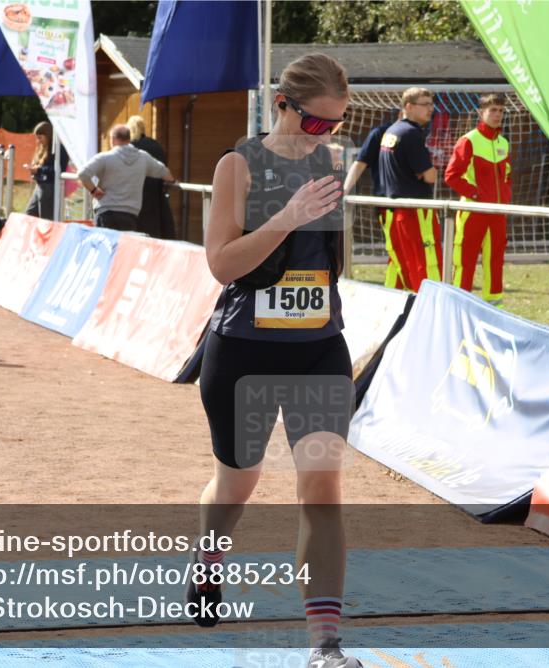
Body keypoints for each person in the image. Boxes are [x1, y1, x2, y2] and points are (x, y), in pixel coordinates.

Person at [191, 53, 362, 668]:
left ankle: (326, 645)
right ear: (283, 106)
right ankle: (210, 556)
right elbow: (222, 264)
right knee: (239, 481)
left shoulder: (332, 167)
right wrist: (286, 219)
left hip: (318, 347)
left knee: (322, 488)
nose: (328, 136)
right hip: (243, 351)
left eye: (338, 125)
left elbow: (328, 268)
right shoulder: (238, 165)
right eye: (319, 124)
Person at [445, 94, 512, 307]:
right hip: (473, 212)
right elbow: (451, 176)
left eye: (501, 111)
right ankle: (458, 305)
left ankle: (495, 307)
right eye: (493, 110)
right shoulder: (468, 140)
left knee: (495, 262)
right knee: (465, 261)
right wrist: (476, 195)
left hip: (498, 215)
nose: (497, 115)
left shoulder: (504, 143)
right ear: (480, 113)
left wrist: (505, 200)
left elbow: (507, 176)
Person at [377, 87, 439, 291]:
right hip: (415, 212)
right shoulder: (411, 133)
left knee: (401, 263)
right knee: (426, 264)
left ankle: (399, 307)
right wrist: (425, 172)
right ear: (409, 107)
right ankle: (430, 309)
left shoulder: (391, 131)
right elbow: (430, 176)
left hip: (393, 211)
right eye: (425, 104)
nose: (431, 109)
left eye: (431, 104)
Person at [77, 125, 174, 231]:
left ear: (112, 139)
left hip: (106, 212)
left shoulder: (104, 158)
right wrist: (173, 181)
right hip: (130, 215)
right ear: (129, 139)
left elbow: (82, 174)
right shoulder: (144, 158)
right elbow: (165, 173)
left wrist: (94, 190)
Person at [126, 115, 176, 239]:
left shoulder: (130, 149)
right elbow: (164, 170)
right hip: (155, 198)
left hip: (134, 199)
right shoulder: (156, 146)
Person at [342, 107, 400, 196]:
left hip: (418, 198)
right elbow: (360, 163)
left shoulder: (421, 133)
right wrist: (345, 191)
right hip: (387, 197)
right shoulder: (380, 133)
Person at [24, 121, 67, 220]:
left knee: (46, 220)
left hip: (50, 188)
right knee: (29, 216)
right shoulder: (43, 148)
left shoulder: (59, 149)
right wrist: (34, 169)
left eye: (40, 137)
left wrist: (38, 170)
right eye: (37, 138)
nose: (38, 141)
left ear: (48, 135)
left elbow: (58, 169)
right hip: (40, 186)